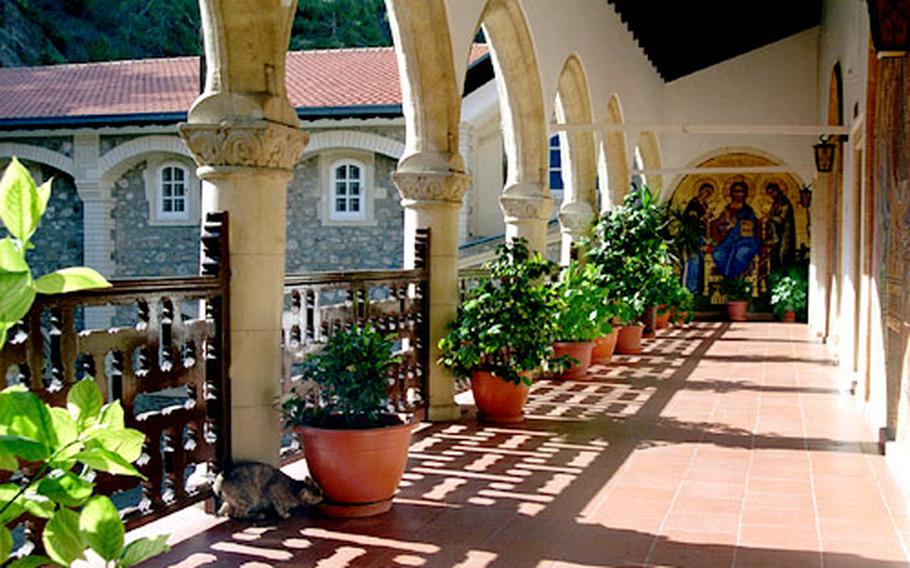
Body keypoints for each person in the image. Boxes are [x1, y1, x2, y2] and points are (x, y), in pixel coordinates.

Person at [710, 180, 762, 278]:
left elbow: (750, 226)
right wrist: (725, 227)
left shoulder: (747, 210)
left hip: (746, 241)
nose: (737, 194)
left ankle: (737, 280)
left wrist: (736, 225)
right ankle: (728, 279)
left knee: (741, 254)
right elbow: (719, 225)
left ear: (745, 194)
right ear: (731, 193)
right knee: (718, 254)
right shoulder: (727, 209)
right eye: (735, 191)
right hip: (728, 241)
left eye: (740, 191)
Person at [683, 182, 714, 295]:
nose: (707, 194)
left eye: (710, 193)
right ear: (701, 191)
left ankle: (698, 288)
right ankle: (691, 288)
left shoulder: (704, 205)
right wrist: (703, 218)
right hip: (692, 236)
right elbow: (691, 220)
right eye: (706, 191)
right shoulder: (694, 203)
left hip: (701, 235)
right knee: (694, 261)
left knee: (701, 262)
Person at [763, 181, 796, 273]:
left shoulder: (784, 203)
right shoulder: (776, 203)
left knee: (783, 255)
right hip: (776, 235)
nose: (771, 195)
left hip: (785, 234)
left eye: (773, 192)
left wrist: (769, 217)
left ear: (777, 191)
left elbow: (781, 219)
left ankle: (783, 276)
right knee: (774, 257)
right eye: (769, 193)